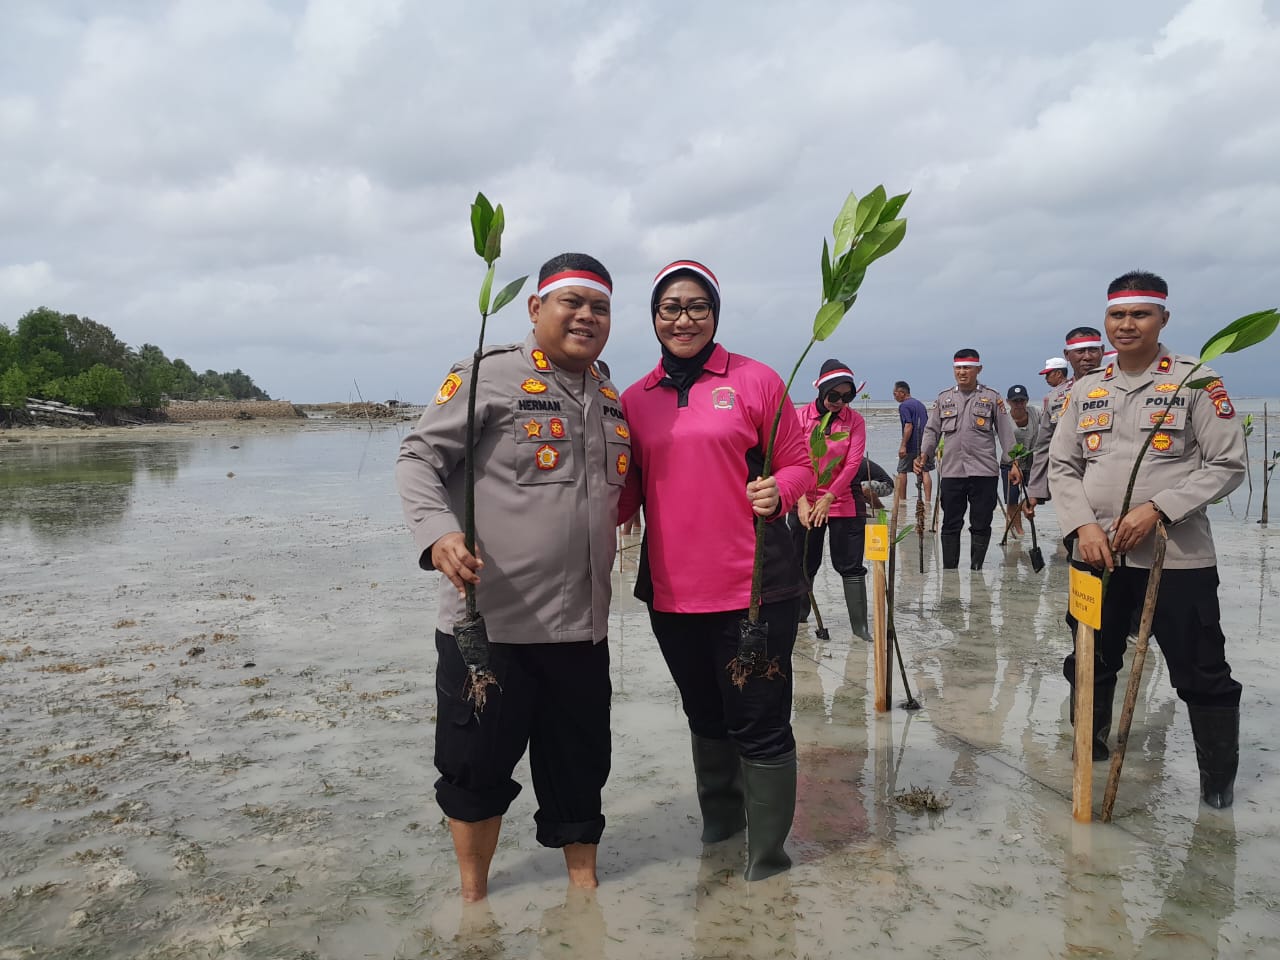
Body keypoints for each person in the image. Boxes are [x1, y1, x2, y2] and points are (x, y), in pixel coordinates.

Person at [395, 253, 625, 901]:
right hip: (490, 627)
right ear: (535, 307)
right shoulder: (488, 374)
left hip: (582, 629)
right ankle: (475, 899)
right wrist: (439, 533)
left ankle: (585, 893)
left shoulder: (609, 396)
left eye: (600, 307)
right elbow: (418, 456)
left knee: (580, 767)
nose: (586, 316)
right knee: (474, 768)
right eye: (571, 302)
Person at [619, 259, 811, 881]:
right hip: (672, 594)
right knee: (704, 717)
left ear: (716, 314)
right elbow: (624, 496)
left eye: (697, 306)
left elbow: (799, 464)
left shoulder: (756, 380)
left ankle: (768, 859)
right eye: (670, 307)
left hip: (754, 590)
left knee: (760, 723)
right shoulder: (633, 399)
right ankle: (721, 831)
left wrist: (780, 490)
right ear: (653, 317)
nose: (684, 319)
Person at [1048, 271, 1245, 807]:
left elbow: (1228, 464)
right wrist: (1082, 526)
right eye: (1118, 315)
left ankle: (1217, 789)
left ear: (1163, 319)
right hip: (1096, 557)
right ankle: (1089, 755)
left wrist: (1159, 509)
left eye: (1140, 314)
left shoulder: (1195, 381)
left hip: (1175, 558)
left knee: (1201, 669)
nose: (1127, 324)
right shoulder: (1086, 388)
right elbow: (1062, 466)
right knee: (1089, 659)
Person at [789, 360, 869, 639]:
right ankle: (799, 620)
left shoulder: (855, 421)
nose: (839, 403)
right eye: (834, 395)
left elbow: (852, 464)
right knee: (803, 562)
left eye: (847, 397)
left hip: (843, 499)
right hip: (805, 500)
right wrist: (802, 502)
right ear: (822, 391)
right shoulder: (799, 418)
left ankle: (860, 629)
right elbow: (791, 460)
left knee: (850, 565)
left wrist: (830, 497)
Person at [914, 349, 1014, 569]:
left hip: (984, 471)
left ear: (979, 369)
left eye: (967, 368)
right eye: (958, 368)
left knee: (981, 522)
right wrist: (924, 454)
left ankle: (976, 570)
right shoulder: (944, 398)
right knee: (950, 522)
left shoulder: (992, 397)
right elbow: (932, 431)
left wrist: (1013, 462)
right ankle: (950, 572)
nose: (962, 372)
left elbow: (1006, 433)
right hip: (952, 471)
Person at [1023, 328, 1106, 518]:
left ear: (1102, 350)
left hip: (1110, 481)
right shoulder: (1056, 398)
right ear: (1067, 355)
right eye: (1080, 351)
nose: (1087, 357)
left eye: (1093, 350)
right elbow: (1044, 446)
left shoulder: (1118, 388)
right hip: (1070, 483)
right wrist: (1035, 491)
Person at [1000, 384, 1041, 537]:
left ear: (1027, 400)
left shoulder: (1036, 412)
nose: (1019, 404)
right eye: (1015, 401)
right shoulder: (1004, 419)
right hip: (1009, 464)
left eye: (1022, 400)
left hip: (1031, 462)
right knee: (1011, 499)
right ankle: (1019, 530)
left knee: (1039, 493)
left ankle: (1024, 505)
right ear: (1008, 402)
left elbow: (1051, 424)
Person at [893, 381, 932, 506]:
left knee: (902, 470)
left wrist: (903, 445)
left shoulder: (904, 406)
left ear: (902, 393)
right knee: (925, 470)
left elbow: (908, 425)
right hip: (925, 443)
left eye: (895, 393)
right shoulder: (920, 404)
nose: (894, 396)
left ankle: (902, 501)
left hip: (912, 444)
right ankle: (928, 502)